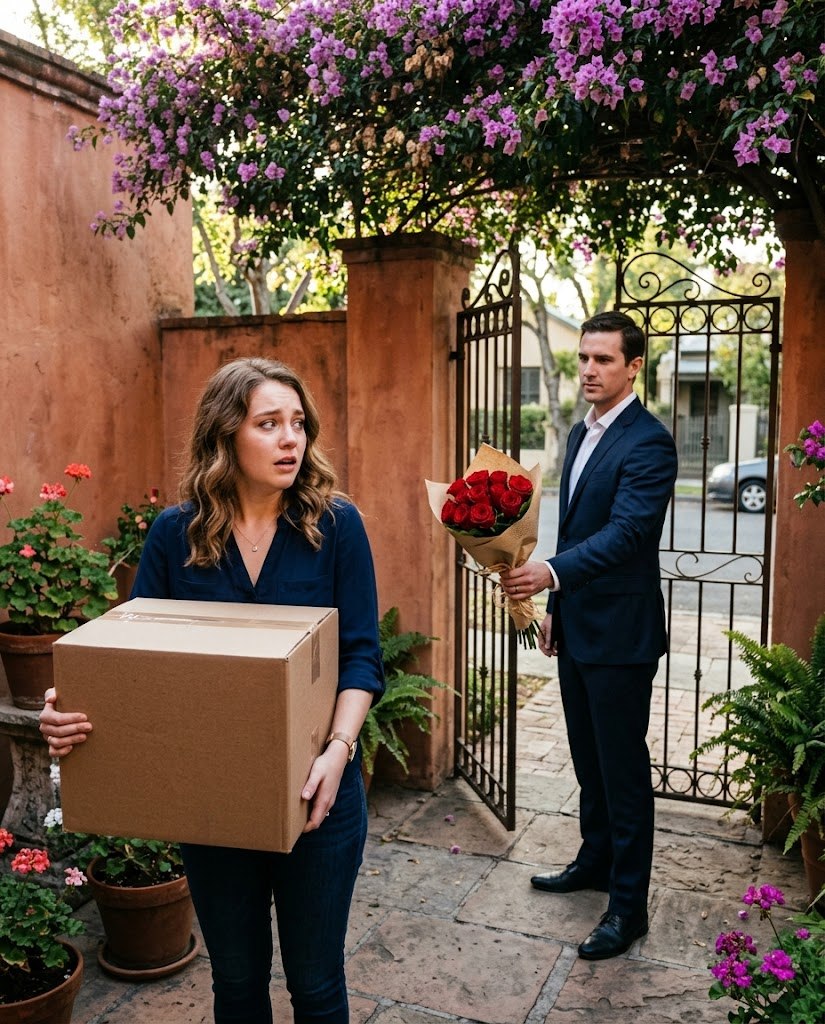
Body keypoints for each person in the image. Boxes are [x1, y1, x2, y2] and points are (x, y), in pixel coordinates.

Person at [39, 356, 385, 1024]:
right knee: (235, 982)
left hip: (320, 796)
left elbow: (362, 657)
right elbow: (137, 661)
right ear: (226, 435)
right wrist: (68, 713)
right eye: (268, 424)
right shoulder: (176, 534)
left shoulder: (338, 526)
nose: (291, 440)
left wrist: (338, 752)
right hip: (215, 806)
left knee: (315, 986)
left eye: (298, 424)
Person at [500, 311, 678, 961]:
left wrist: (547, 569)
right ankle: (594, 862)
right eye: (582, 358)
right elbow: (577, 531)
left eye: (603, 360)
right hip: (577, 626)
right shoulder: (580, 435)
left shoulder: (649, 443)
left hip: (622, 637)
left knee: (623, 773)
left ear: (634, 366)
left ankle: (627, 908)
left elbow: (628, 534)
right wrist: (555, 605)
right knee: (588, 763)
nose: (588, 370)